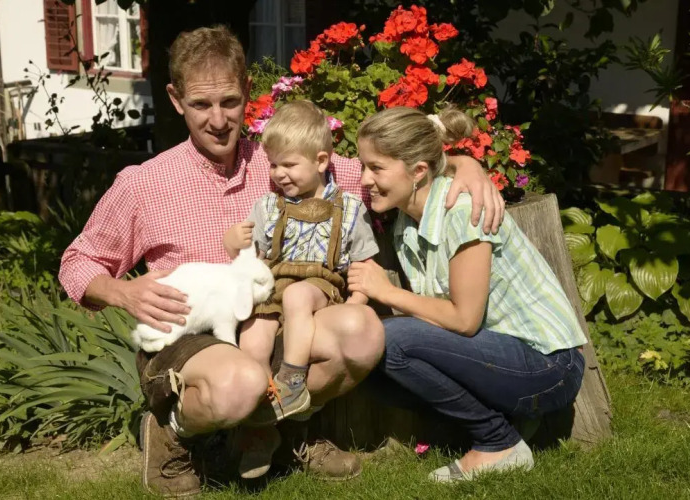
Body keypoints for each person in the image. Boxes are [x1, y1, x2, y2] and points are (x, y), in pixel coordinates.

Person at [58, 25, 504, 497]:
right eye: (201, 104)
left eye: (230, 102)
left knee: (363, 333)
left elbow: (383, 170)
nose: (218, 120)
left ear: (248, 92)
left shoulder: (282, 161)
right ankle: (172, 433)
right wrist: (123, 291)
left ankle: (279, 428)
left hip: (272, 324)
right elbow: (77, 261)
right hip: (190, 335)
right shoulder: (144, 183)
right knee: (240, 381)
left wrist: (462, 165)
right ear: (175, 99)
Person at [347, 105, 586, 482]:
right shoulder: (406, 221)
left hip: (550, 367)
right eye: (364, 165)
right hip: (499, 354)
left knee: (388, 338)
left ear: (418, 171)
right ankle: (504, 423)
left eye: (376, 168)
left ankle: (498, 443)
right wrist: (465, 162)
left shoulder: (461, 210)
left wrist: (386, 292)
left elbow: (464, 319)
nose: (365, 179)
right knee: (366, 356)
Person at [223, 100, 378, 477]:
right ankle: (259, 428)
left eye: (289, 165)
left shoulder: (349, 208)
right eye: (273, 164)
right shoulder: (268, 207)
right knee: (253, 340)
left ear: (321, 161)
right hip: (273, 284)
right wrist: (232, 244)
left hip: (320, 286)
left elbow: (363, 264)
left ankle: (292, 380)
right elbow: (253, 259)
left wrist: (357, 301)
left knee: (297, 295)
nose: (279, 173)